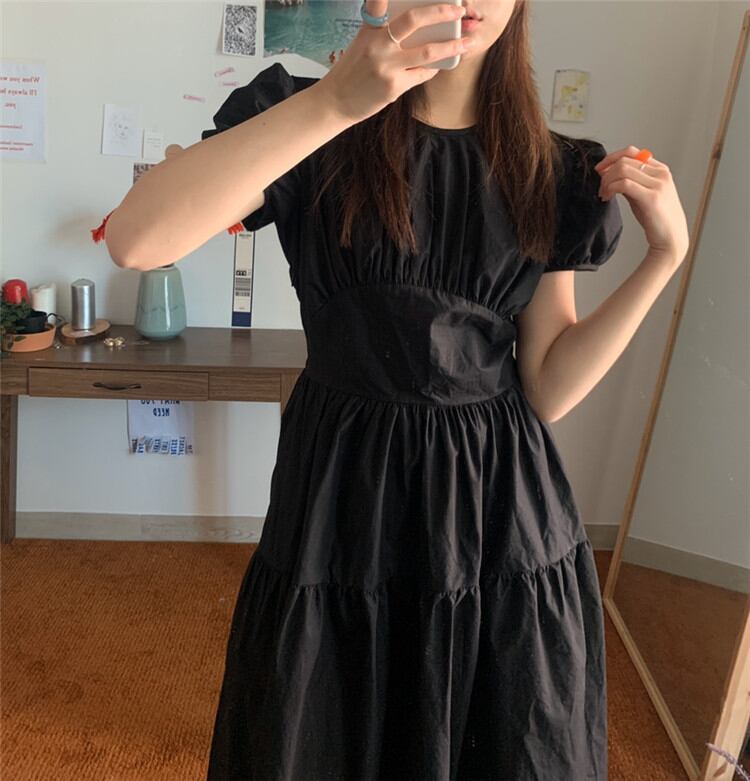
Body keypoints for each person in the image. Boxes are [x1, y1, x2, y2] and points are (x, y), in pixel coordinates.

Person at [102, 1, 689, 778]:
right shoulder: (308, 119)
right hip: (341, 497)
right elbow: (136, 239)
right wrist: (332, 103)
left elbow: (547, 385)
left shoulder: (550, 171)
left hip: (495, 513)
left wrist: (663, 259)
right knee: (322, 727)